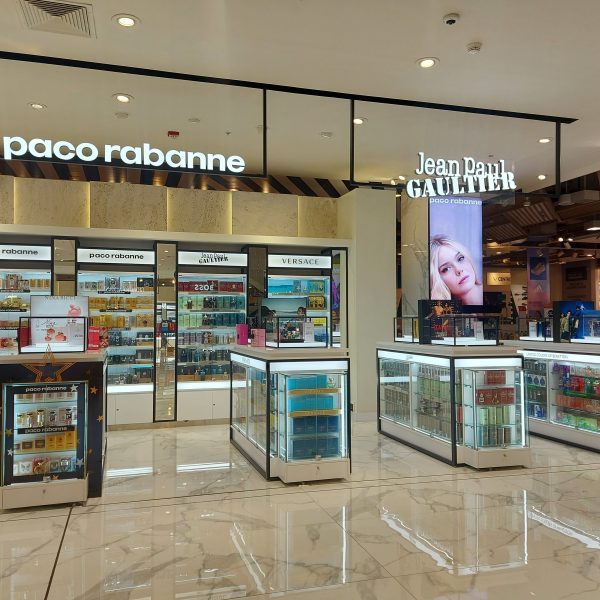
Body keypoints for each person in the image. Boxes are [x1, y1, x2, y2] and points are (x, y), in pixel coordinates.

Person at [430, 235, 483, 305]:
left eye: (460, 259)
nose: (459, 270)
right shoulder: (448, 308)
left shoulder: (492, 297)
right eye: (446, 269)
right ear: (437, 279)